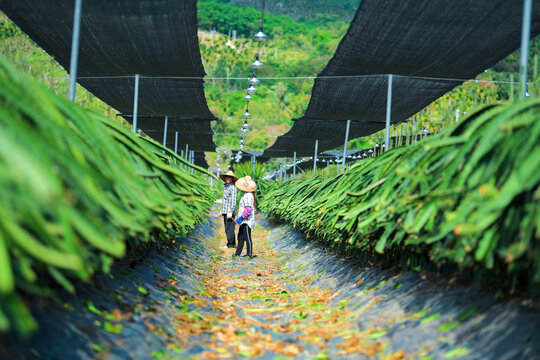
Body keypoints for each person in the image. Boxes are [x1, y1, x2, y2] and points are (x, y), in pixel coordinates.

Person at [234, 176, 257, 258]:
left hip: (247, 221)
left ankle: (249, 254)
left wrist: (241, 218)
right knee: (240, 237)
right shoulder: (246, 195)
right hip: (244, 220)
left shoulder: (248, 196)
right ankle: (237, 253)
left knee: (247, 237)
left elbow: (248, 209)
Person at [219, 170, 238, 248]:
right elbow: (225, 201)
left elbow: (233, 201)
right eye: (227, 177)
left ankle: (231, 244)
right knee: (227, 228)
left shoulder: (232, 188)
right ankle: (232, 243)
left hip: (229, 211)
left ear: (232, 179)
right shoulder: (226, 187)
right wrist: (221, 210)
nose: (227, 178)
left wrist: (230, 212)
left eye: (229, 177)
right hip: (225, 211)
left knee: (230, 228)